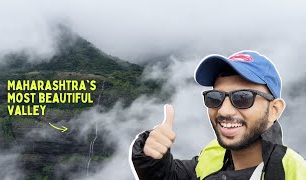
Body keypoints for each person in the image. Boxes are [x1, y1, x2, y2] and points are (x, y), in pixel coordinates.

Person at [129, 50, 306, 180]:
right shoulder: (214, 154)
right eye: (216, 98)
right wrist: (153, 157)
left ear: (274, 109)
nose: (224, 110)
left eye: (243, 98)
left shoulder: (293, 172)